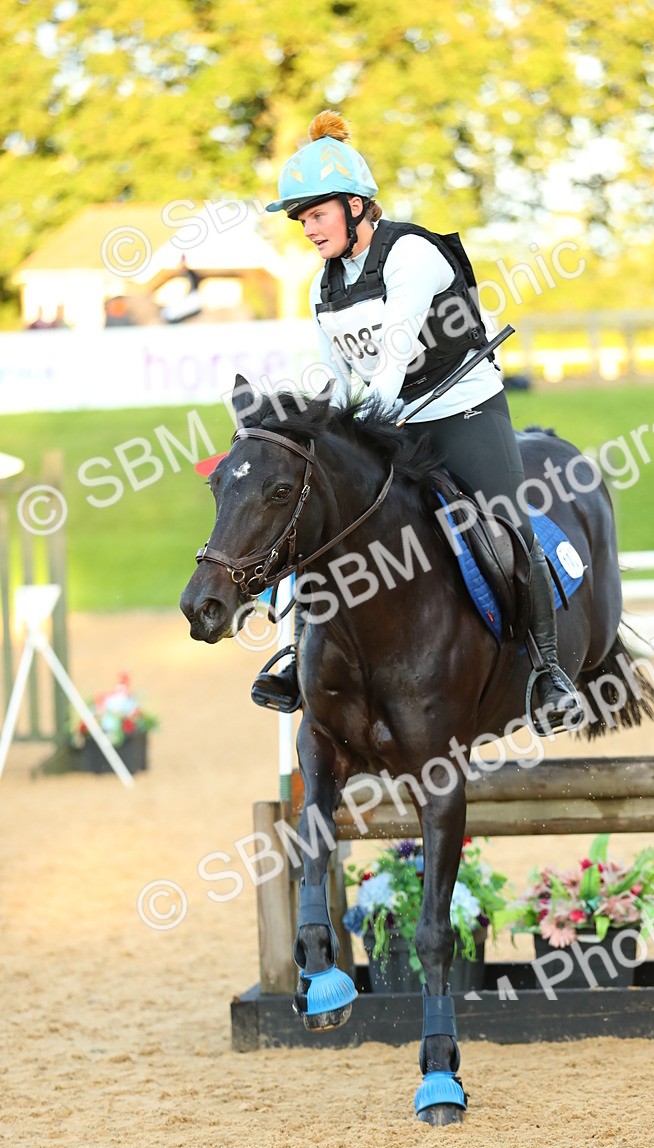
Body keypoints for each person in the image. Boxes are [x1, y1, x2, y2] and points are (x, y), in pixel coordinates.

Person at [251, 110, 581, 731]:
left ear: (355, 207)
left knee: (506, 524)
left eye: (315, 215)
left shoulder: (413, 254)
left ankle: (546, 669)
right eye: (301, 220)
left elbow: (391, 362)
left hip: (463, 412)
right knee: (322, 518)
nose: (307, 230)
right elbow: (336, 378)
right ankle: (298, 654)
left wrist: (362, 420)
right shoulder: (324, 286)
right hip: (396, 420)